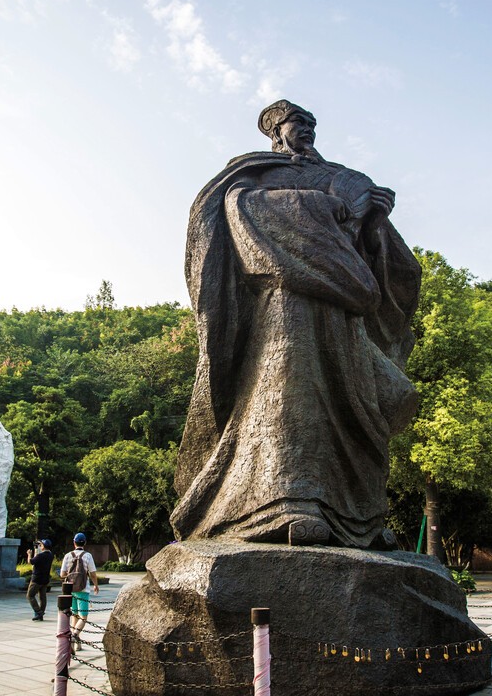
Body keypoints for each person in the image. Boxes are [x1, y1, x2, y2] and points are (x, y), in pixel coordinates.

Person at [171, 100, 420, 549]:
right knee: (288, 388)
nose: (306, 130)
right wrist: (318, 208)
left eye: (311, 124)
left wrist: (376, 218)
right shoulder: (254, 173)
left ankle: (360, 517)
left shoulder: (340, 175)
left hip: (343, 308)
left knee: (355, 399)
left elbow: (380, 257)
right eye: (297, 123)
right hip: (287, 303)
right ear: (275, 132)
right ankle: (287, 503)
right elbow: (237, 210)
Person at [59, 533, 99, 651]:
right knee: (83, 617)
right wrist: (96, 585)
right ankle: (74, 635)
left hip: (70, 590)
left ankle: (75, 645)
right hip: (83, 589)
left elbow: (62, 574)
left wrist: (71, 575)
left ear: (74, 542)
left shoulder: (67, 556)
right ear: (85, 543)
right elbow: (92, 573)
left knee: (74, 615)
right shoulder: (88, 556)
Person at [25, 539, 54, 621]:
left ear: (43, 546)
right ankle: (40, 615)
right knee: (42, 597)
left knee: (30, 595)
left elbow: (30, 562)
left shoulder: (40, 556)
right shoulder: (51, 555)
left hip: (36, 579)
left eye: (41, 545)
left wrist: (29, 554)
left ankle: (38, 612)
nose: (40, 546)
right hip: (45, 579)